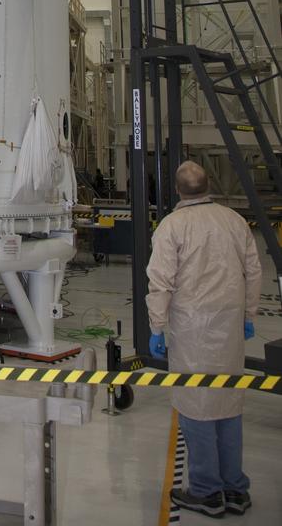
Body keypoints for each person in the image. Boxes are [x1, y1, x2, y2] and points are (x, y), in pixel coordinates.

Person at [146, 160, 262, 518]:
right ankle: (235, 488)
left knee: (196, 404)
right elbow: (253, 271)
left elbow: (161, 281)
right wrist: (248, 315)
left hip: (192, 328)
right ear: (208, 185)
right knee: (228, 399)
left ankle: (207, 491)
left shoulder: (172, 226)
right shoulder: (234, 221)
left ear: (177, 190)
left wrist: (156, 327)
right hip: (229, 326)